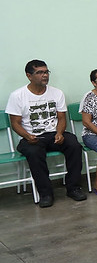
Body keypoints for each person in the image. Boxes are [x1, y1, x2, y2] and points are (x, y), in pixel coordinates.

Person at [5, 59, 87, 207]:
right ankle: (45, 194)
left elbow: (62, 118)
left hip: (53, 134)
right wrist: (27, 136)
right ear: (29, 76)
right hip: (31, 137)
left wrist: (60, 133)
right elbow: (15, 123)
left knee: (74, 145)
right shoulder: (17, 95)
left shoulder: (57, 93)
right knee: (34, 153)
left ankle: (73, 188)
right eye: (39, 72)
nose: (44, 75)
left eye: (46, 72)